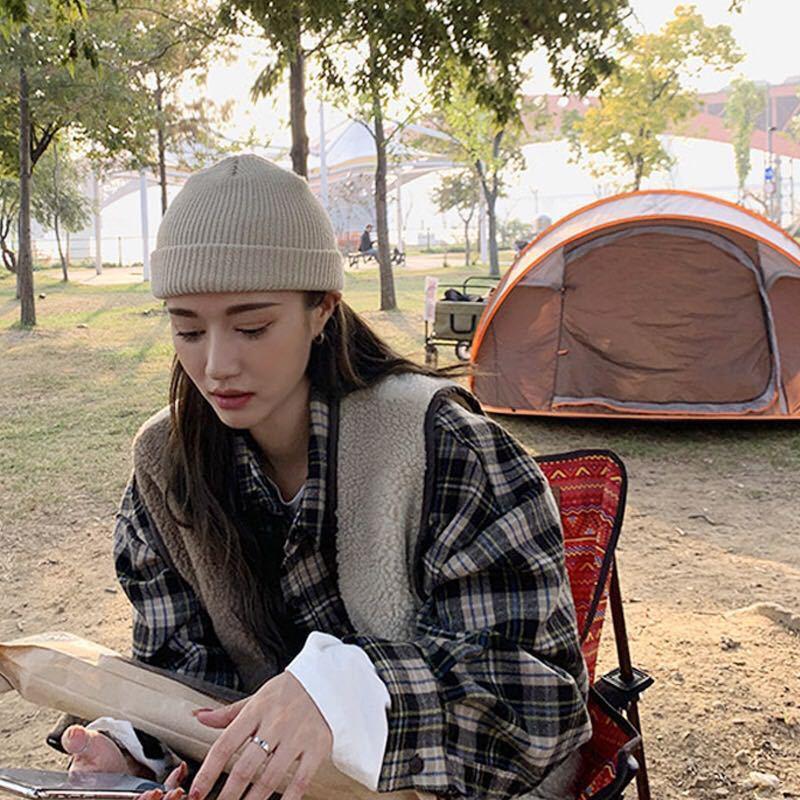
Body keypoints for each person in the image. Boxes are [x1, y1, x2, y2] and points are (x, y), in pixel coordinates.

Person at [50, 155, 591, 800]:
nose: (217, 365)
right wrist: (136, 748)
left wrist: (347, 691)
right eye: (187, 329)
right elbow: (185, 671)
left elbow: (535, 705)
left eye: (252, 327)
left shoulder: (440, 444)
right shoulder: (168, 467)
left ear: (322, 309)